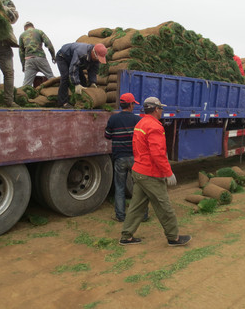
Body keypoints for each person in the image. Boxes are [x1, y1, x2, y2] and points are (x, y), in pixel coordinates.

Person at [119, 97, 191, 247]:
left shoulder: (141, 123)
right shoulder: (155, 127)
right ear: (156, 109)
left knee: (136, 206)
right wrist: (168, 172)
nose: (162, 111)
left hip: (139, 171)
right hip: (150, 174)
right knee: (164, 206)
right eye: (161, 109)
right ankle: (173, 238)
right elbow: (157, 154)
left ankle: (126, 236)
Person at [105, 93, 146, 222]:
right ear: (131, 105)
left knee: (120, 188)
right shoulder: (137, 120)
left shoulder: (113, 119)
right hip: (135, 158)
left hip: (119, 158)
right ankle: (143, 216)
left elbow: (107, 135)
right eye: (134, 103)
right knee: (139, 187)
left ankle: (120, 216)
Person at [55, 42, 107, 108]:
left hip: (74, 60)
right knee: (65, 77)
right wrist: (76, 84)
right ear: (93, 53)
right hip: (63, 57)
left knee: (83, 80)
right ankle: (63, 103)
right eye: (97, 58)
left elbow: (93, 71)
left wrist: (92, 82)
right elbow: (74, 66)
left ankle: (82, 101)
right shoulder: (81, 52)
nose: (97, 60)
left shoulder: (96, 59)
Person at [18, 22, 56, 87]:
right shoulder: (39, 32)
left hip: (29, 60)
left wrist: (23, 65)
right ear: (33, 26)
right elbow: (49, 45)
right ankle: (57, 93)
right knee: (51, 78)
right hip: (40, 58)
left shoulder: (22, 35)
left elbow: (21, 52)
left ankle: (24, 96)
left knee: (26, 85)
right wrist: (53, 56)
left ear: (25, 28)